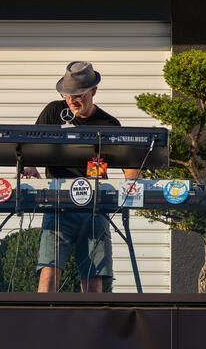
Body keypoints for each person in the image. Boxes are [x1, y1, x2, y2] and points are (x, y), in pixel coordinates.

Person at [22, 61, 139, 293]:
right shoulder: (54, 112)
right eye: (68, 95)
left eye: (78, 95)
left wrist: (132, 183)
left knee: (94, 275)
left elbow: (130, 165)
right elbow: (30, 149)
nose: (72, 100)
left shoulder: (109, 124)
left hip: (95, 206)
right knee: (49, 268)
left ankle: (92, 325)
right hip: (57, 204)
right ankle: (43, 324)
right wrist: (28, 167)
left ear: (93, 91)